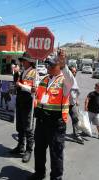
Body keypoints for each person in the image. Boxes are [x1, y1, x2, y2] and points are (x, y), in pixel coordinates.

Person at [29, 50, 74, 180]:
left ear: (59, 67)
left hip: (56, 124)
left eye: (52, 65)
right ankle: (39, 173)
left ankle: (56, 178)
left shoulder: (65, 82)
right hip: (42, 121)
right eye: (48, 65)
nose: (49, 67)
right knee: (39, 150)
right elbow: (39, 96)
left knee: (56, 154)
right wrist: (34, 91)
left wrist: (63, 63)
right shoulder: (44, 79)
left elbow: (70, 79)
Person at [10, 52, 39, 163]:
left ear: (29, 61)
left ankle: (29, 150)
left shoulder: (35, 73)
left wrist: (21, 85)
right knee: (20, 126)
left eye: (23, 60)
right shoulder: (23, 71)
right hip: (20, 101)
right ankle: (20, 146)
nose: (22, 62)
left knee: (28, 128)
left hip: (28, 103)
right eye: (22, 61)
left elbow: (33, 90)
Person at [68, 66, 84, 144]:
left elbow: (77, 92)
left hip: (72, 103)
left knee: (76, 119)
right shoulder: (65, 79)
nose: (74, 73)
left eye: (75, 72)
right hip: (64, 104)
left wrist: (76, 100)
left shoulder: (74, 81)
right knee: (60, 120)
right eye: (72, 72)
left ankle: (76, 135)